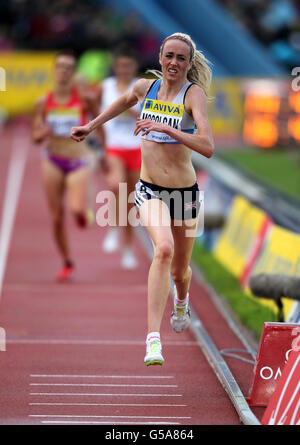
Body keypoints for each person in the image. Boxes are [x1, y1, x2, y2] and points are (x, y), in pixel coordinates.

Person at [70, 33, 214, 366]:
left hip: (184, 195)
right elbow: (122, 101)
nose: (174, 63)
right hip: (150, 189)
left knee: (181, 272)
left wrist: (168, 126)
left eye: (181, 58)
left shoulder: (194, 96)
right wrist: (91, 126)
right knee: (162, 249)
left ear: (189, 64)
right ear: (160, 58)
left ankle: (182, 301)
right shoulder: (143, 89)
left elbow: (208, 146)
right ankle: (153, 339)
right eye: (169, 56)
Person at [32, 50, 100, 281]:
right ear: (54, 70)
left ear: (73, 73)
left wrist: (107, 152)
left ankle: (83, 213)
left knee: (76, 210)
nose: (63, 71)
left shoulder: (84, 99)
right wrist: (43, 132)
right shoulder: (43, 101)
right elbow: (35, 137)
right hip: (52, 158)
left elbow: (100, 123)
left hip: (79, 159)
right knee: (56, 218)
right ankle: (67, 260)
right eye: (60, 66)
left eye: (68, 68)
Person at [99, 44, 141, 269]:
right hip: (115, 146)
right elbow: (98, 114)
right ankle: (114, 226)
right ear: (115, 67)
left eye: (128, 65)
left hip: (136, 148)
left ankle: (127, 248)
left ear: (134, 67)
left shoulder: (142, 88)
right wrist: (102, 142)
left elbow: (150, 116)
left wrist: (129, 109)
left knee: (131, 202)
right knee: (116, 186)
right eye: (121, 65)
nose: (124, 69)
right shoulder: (105, 87)